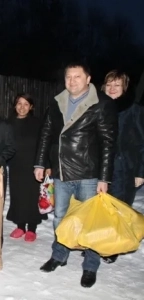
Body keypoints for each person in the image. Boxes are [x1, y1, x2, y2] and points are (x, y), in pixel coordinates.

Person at [34, 62, 118, 288]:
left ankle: (90, 266)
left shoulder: (102, 104)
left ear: (88, 79)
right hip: (62, 172)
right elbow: (46, 134)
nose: (72, 81)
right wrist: (40, 162)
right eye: (68, 77)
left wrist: (104, 178)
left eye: (77, 76)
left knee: (91, 222)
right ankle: (59, 255)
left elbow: (108, 143)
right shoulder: (56, 102)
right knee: (61, 217)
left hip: (89, 174)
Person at [101, 70, 144, 264]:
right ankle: (99, 243)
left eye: (117, 85)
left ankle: (113, 247)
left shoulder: (134, 110)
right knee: (100, 208)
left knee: (118, 210)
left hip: (124, 169)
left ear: (124, 88)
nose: (112, 88)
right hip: (100, 167)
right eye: (109, 84)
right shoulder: (98, 107)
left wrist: (140, 172)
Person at [6, 94, 47, 242]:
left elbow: (44, 144)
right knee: (18, 196)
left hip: (33, 166)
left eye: (26, 104)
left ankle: (32, 229)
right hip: (16, 165)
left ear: (31, 107)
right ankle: (20, 226)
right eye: (19, 103)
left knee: (31, 197)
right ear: (15, 105)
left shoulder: (37, 123)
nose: (22, 107)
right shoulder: (8, 123)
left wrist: (44, 164)